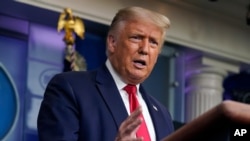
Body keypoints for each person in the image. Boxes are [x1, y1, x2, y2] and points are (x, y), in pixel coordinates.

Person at [37, 6, 174, 141]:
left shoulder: (163, 115)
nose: (145, 49)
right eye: (136, 38)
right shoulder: (70, 88)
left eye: (153, 42)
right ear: (112, 42)